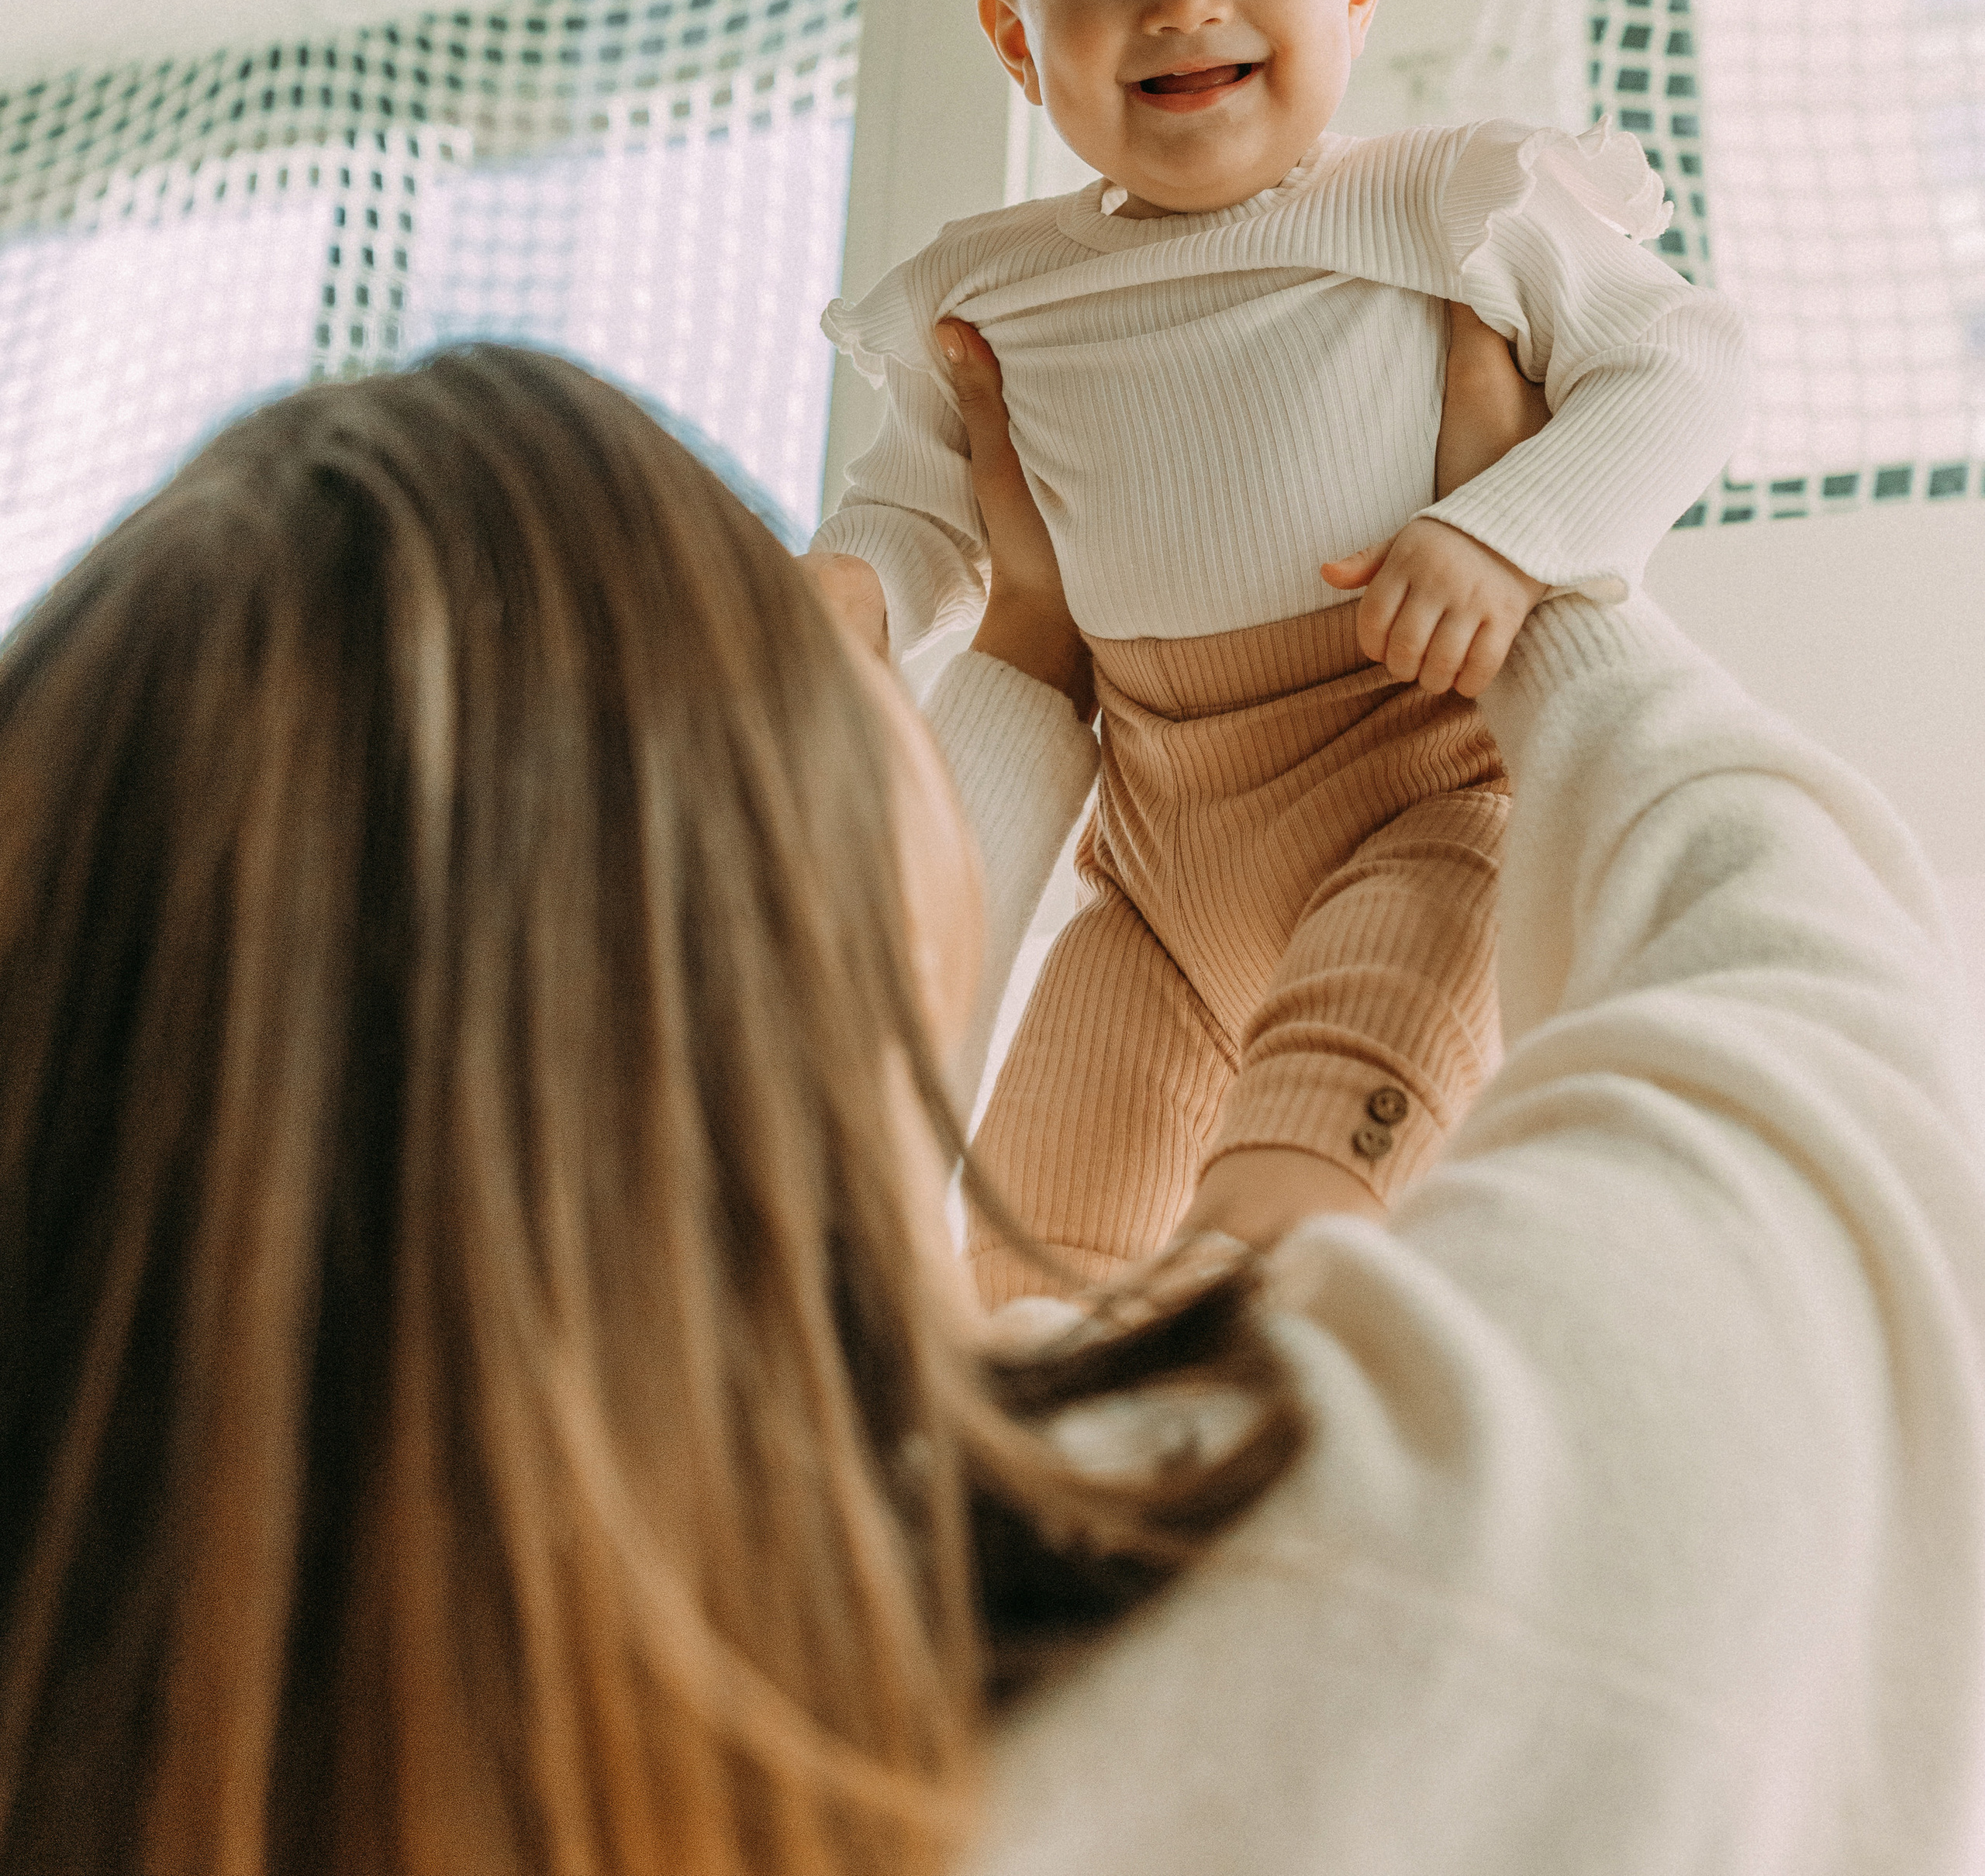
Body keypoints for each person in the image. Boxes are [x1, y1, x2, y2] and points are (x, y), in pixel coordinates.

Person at [1, 338, 1979, 1876]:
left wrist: (1023, 672)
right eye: (809, 635)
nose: (868, 614)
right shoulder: (1356, 1569)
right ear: (770, 888)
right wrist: (1544, 577)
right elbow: (1836, 1040)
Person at [810, 0, 1749, 1295]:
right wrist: (830, 609)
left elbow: (1680, 364)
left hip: (1419, 801)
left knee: (1287, 1213)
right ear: (1012, 37)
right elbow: (918, 515)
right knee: (1030, 1254)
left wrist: (1501, 535)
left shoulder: (1448, 201)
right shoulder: (996, 291)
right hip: (1156, 874)